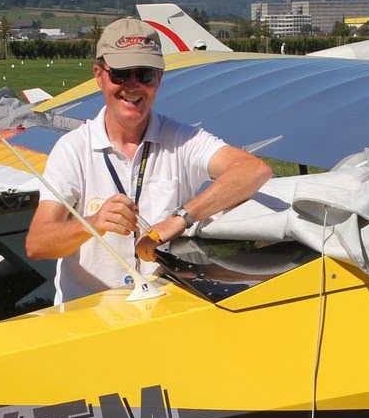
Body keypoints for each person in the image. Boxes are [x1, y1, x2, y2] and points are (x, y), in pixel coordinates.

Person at [25, 17, 271, 303]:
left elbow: (254, 170)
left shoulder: (182, 140)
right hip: (90, 312)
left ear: (159, 78)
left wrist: (180, 218)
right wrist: (92, 223)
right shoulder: (72, 149)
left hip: (163, 308)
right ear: (99, 75)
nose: (133, 86)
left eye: (145, 75)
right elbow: (38, 244)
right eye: (120, 74)